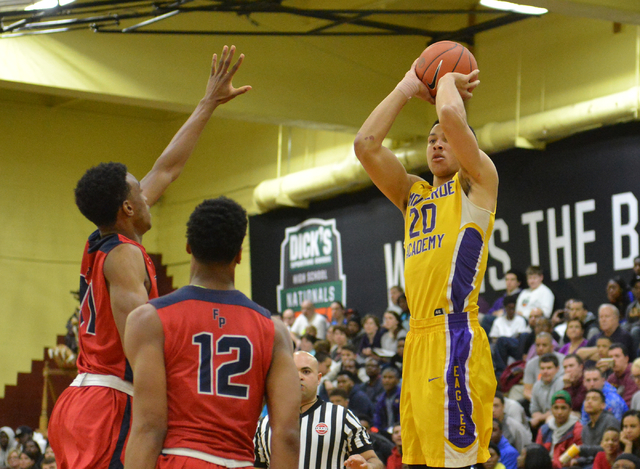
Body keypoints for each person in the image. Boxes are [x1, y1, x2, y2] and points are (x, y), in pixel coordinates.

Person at [48, 45, 251, 469]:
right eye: (138, 191)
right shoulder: (124, 256)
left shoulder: (104, 237)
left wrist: (207, 103)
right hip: (108, 404)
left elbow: (167, 169)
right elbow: (141, 342)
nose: (148, 193)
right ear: (127, 208)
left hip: (85, 400)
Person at [354, 53, 497, 467]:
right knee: (417, 462)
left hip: (455, 335)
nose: (437, 142)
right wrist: (406, 86)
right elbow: (365, 146)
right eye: (431, 139)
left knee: (459, 463)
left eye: (445, 139)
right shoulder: (414, 195)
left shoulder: (479, 183)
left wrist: (447, 76)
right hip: (416, 341)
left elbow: (452, 114)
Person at [122, 198, 300, 469]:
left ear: (188, 248)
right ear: (239, 254)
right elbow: (287, 436)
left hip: (182, 460)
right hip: (240, 462)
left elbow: (149, 427)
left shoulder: (149, 319)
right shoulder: (274, 330)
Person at [254, 351, 384, 469]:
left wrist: (367, 466)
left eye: (306, 371)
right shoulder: (265, 424)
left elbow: (375, 462)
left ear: (318, 379)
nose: (299, 377)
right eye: (292, 371)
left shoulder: (341, 416)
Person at [535, 390, 583, 469]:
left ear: (570, 409)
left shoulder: (577, 430)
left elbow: (577, 458)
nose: (559, 412)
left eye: (563, 408)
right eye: (556, 408)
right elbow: (537, 455)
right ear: (551, 409)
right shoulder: (544, 429)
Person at [578, 389, 621, 466]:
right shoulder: (586, 428)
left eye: (594, 399)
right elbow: (588, 457)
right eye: (587, 399)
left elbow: (609, 448)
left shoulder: (610, 421)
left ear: (603, 405)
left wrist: (581, 449)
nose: (589, 402)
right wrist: (577, 461)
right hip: (590, 463)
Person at [530, 354, 565, 431]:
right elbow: (534, 409)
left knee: (550, 420)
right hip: (542, 419)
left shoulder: (561, 383)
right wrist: (538, 417)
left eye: (549, 368)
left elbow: (558, 409)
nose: (545, 371)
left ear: (557, 369)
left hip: (559, 418)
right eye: (542, 368)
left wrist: (539, 418)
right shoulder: (536, 385)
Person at [373, 367, 402, 433]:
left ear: (397, 380)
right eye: (384, 377)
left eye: (390, 377)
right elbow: (377, 418)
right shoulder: (380, 398)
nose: (387, 380)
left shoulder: (402, 396)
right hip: (384, 432)